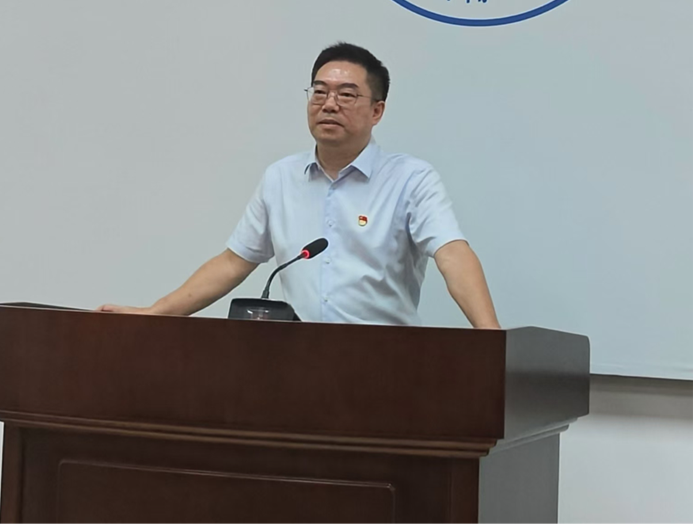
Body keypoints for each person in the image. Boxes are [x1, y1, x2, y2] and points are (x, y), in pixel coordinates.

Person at [98, 43, 500, 329]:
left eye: (347, 95)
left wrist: (490, 340)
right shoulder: (281, 178)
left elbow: (452, 254)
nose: (329, 104)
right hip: (298, 366)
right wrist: (156, 314)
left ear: (377, 111)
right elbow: (234, 262)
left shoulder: (410, 178)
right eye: (319, 92)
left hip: (386, 364)